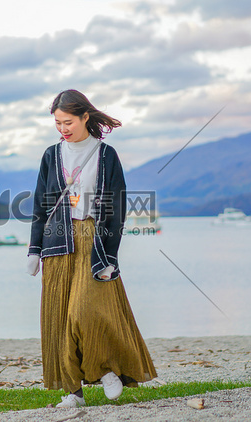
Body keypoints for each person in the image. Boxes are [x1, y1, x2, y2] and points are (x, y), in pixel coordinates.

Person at [27, 89, 157, 408]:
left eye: (68, 122)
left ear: (85, 116)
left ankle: (104, 371)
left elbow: (117, 206)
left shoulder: (105, 154)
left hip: (92, 240)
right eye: (57, 123)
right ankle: (73, 391)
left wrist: (110, 255)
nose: (63, 129)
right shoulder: (51, 155)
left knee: (83, 312)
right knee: (58, 319)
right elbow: (41, 205)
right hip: (57, 241)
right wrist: (34, 248)